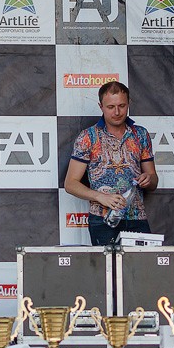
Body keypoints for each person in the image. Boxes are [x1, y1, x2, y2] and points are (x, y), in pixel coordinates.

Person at [63, 81, 158, 246]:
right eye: (110, 107)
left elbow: (153, 181)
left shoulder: (141, 134)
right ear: (101, 106)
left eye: (122, 106)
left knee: (143, 263)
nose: (117, 112)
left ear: (129, 103)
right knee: (108, 264)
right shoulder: (88, 137)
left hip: (137, 217)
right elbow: (70, 184)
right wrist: (100, 197)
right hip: (103, 219)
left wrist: (148, 179)